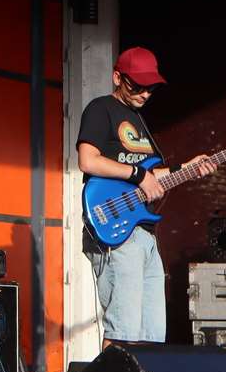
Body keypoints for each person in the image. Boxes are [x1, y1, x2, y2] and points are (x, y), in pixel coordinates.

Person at [75, 47, 213, 346]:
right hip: (116, 229)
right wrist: (138, 175)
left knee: (151, 336)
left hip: (145, 234)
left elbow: (152, 175)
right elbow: (88, 161)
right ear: (117, 77)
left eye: (150, 87)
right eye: (137, 85)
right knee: (122, 333)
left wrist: (186, 168)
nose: (145, 93)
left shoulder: (138, 119)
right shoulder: (101, 109)